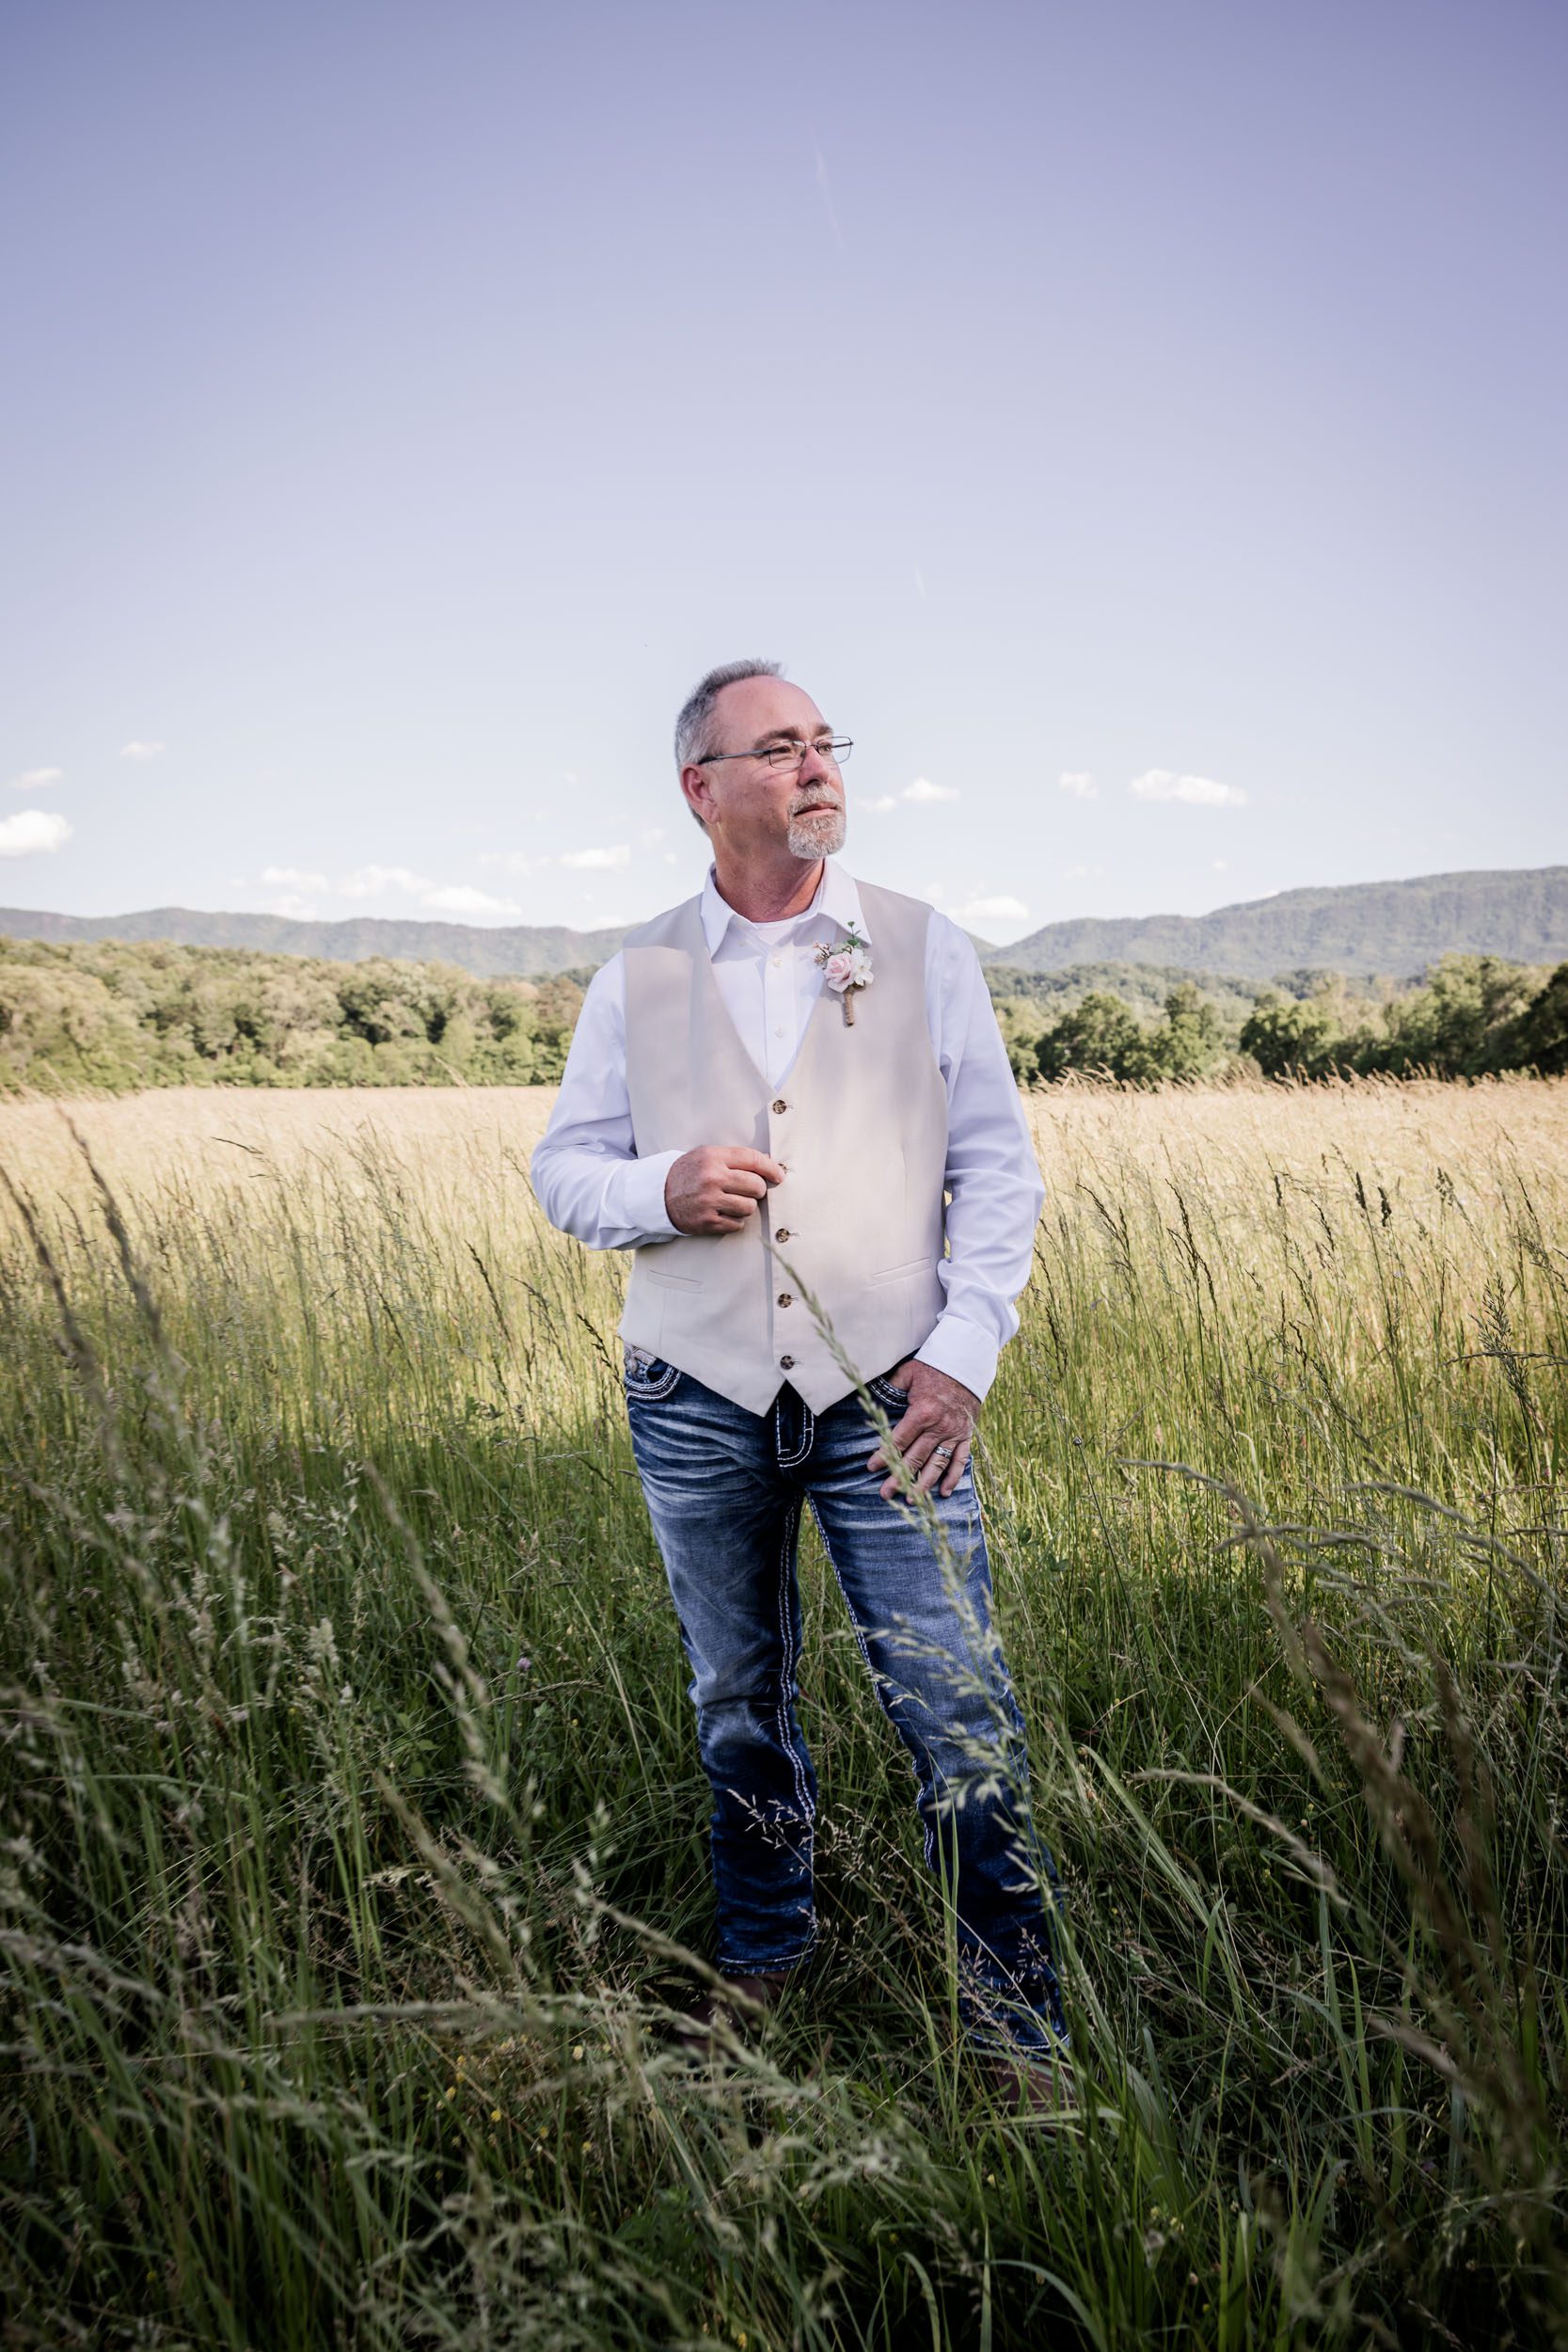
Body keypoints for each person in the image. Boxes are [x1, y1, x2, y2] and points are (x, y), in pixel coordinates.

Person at [530, 659, 1068, 2092]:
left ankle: (1016, 2023)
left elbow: (995, 1168)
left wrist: (959, 1360)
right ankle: (765, 1954)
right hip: (694, 1395)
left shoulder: (920, 943)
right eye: (780, 747)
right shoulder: (637, 974)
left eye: (827, 741)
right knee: (737, 1705)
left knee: (957, 1707)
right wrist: (663, 1184)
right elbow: (563, 1171)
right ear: (702, 791)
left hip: (892, 1398)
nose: (819, 764)